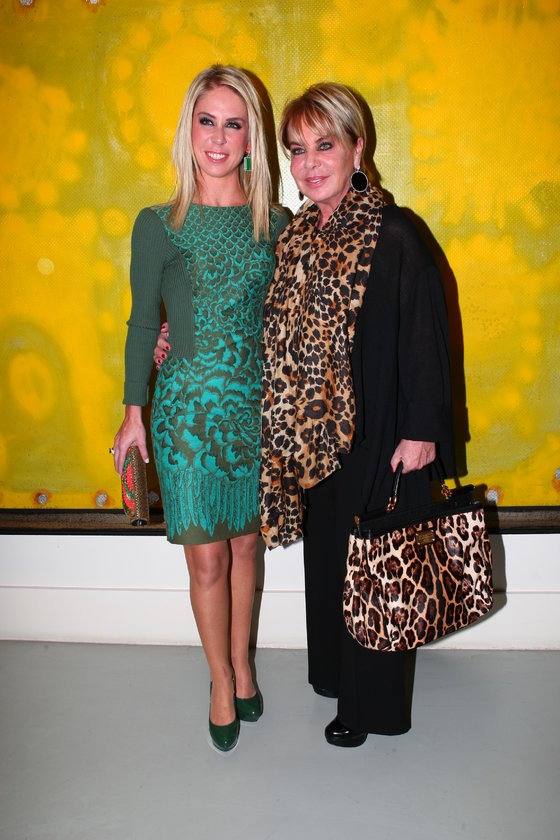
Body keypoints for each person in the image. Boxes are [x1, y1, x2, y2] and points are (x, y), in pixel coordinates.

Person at [259, 83, 455, 746]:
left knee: (375, 569)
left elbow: (426, 334)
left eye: (325, 144)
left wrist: (422, 431)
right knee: (330, 563)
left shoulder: (393, 233)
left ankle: (369, 707)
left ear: (357, 148)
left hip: (379, 433)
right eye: (297, 149)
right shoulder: (296, 238)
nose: (310, 162)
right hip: (315, 439)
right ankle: (335, 675)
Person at [113, 65, 288, 753]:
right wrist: (134, 411)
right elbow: (140, 322)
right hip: (185, 417)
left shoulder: (277, 224)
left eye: (233, 123)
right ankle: (219, 681)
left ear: (251, 138)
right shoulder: (159, 224)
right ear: (188, 130)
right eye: (206, 120)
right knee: (206, 561)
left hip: (255, 414)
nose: (217, 137)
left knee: (246, 546)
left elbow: (289, 323)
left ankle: (243, 666)